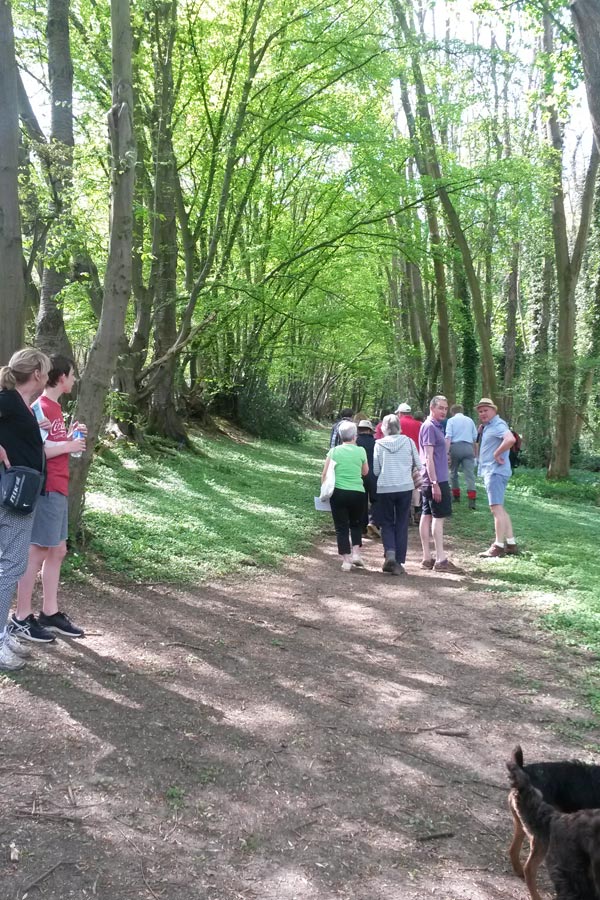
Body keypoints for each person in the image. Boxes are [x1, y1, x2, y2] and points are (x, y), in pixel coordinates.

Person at [11, 356, 86, 643]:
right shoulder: (41, 407)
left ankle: (50, 613)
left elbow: (50, 443)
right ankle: (21, 616)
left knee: (58, 551)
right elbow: (37, 450)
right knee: (38, 552)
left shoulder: (55, 409)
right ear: (61, 377)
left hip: (59, 486)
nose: (74, 380)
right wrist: (69, 444)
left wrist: (69, 438)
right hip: (47, 488)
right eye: (72, 375)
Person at [0, 348, 51, 671]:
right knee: (9, 568)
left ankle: (2, 634)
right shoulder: (6, 400)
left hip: (20, 497)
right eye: (45, 372)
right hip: (11, 497)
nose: (47, 378)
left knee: (9, 568)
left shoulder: (20, 406)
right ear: (36, 374)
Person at [373, 414, 421, 575]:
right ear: (399, 427)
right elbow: (419, 464)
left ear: (384, 428)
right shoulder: (408, 441)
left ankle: (390, 553)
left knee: (387, 522)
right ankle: (399, 562)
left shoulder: (378, 444)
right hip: (405, 487)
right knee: (401, 523)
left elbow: (376, 470)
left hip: (385, 488)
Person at [418, 395, 461, 573]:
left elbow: (435, 454)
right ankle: (440, 560)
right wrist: (435, 482)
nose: (443, 411)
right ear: (432, 408)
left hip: (434, 478)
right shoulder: (429, 426)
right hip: (435, 480)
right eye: (440, 408)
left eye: (445, 408)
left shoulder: (437, 426)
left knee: (427, 515)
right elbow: (428, 457)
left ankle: (427, 558)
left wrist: (445, 457)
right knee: (437, 518)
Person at [321, 420, 368, 571]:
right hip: (357, 493)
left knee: (341, 527)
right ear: (355, 436)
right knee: (356, 524)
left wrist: (325, 490)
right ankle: (356, 553)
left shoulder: (334, 451)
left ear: (340, 436)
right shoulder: (361, 451)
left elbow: (324, 475)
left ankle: (346, 561)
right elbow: (365, 472)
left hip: (339, 493)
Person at [476, 398, 518, 558]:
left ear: (494, 410)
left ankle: (498, 545)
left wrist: (496, 453)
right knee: (499, 507)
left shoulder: (498, 424)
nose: (482, 413)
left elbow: (510, 439)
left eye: (486, 410)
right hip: (493, 471)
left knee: (496, 508)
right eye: (480, 411)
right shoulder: (488, 426)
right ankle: (511, 543)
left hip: (495, 471)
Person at [445, 403, 478, 509]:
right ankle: (471, 500)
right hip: (468, 447)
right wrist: (476, 454)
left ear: (452, 412)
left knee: (453, 472)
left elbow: (448, 437)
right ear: (462, 411)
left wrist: (446, 452)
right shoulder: (470, 420)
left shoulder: (451, 421)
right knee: (469, 475)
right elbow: (475, 438)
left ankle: (456, 496)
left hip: (455, 447)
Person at [396, 402, 423, 525]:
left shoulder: (397, 423)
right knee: (416, 485)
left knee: (403, 484)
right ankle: (417, 510)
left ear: (400, 413)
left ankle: (406, 513)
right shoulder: (420, 424)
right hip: (416, 456)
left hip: (400, 457)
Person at [356, 419, 378, 537]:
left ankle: (362, 529)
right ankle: (373, 521)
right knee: (376, 499)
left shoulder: (355, 442)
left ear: (359, 430)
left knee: (361, 501)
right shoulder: (376, 443)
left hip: (359, 474)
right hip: (374, 474)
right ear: (370, 431)